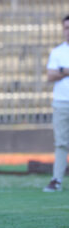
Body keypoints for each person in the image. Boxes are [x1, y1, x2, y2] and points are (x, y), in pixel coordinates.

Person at [43, 14, 69, 192]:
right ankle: (57, 179)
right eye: (66, 28)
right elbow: (50, 75)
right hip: (61, 102)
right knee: (61, 142)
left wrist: (62, 70)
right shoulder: (57, 51)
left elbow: (56, 72)